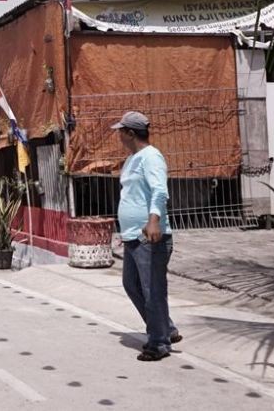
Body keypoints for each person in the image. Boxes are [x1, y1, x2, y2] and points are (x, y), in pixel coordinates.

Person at [111, 111, 180, 362]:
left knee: (153, 290)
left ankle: (159, 342)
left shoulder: (151, 157)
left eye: (121, 131)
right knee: (132, 285)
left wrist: (153, 221)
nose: (118, 135)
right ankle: (166, 328)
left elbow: (159, 191)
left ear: (131, 133)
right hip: (132, 236)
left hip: (149, 237)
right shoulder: (132, 159)